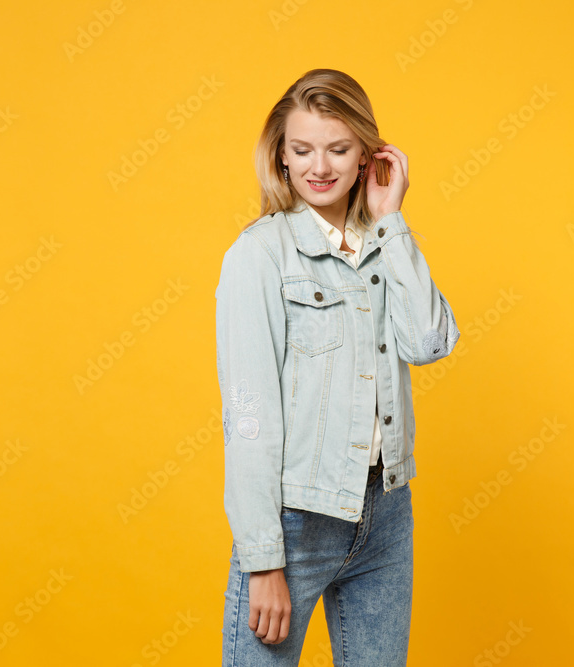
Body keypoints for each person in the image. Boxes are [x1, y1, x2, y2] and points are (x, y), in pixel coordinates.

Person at [215, 68, 461, 666]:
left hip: (386, 513)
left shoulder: (385, 243)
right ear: (280, 157)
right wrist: (262, 558)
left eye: (338, 148)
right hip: (296, 521)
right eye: (301, 150)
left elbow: (429, 342)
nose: (318, 166)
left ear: (366, 156)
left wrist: (392, 220)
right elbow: (249, 416)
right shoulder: (260, 254)